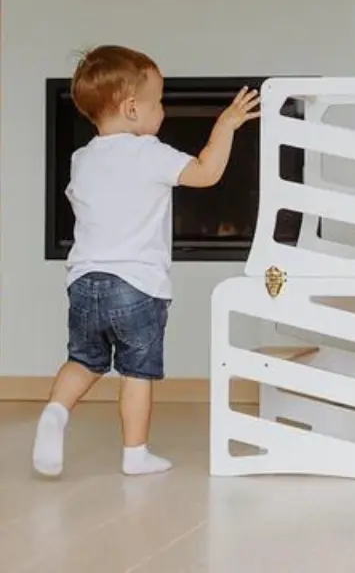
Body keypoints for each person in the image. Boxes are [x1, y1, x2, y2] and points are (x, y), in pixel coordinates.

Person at [32, 45, 260, 477]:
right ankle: (135, 455)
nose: (162, 111)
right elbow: (206, 173)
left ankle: (55, 413)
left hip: (83, 282)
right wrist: (226, 125)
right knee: (137, 372)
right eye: (158, 101)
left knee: (84, 360)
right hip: (137, 285)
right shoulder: (150, 152)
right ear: (132, 108)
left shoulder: (82, 160)